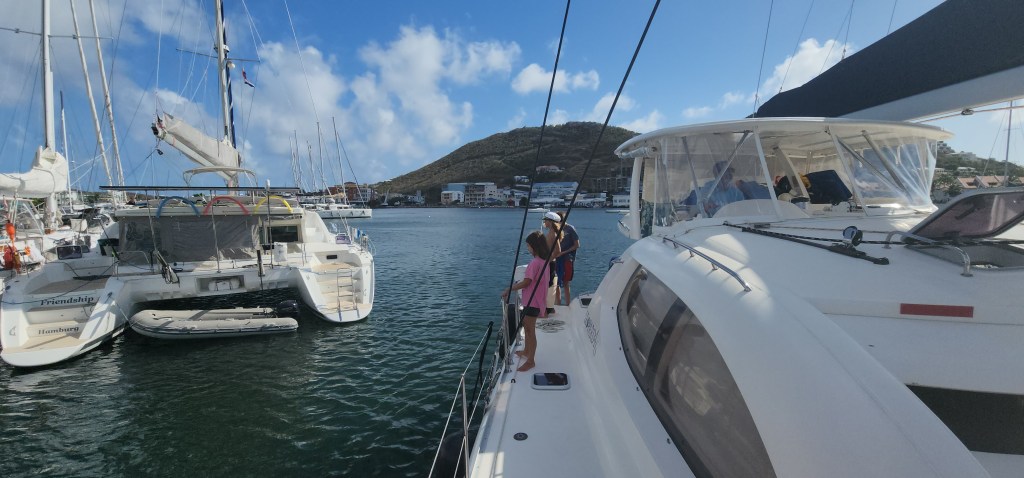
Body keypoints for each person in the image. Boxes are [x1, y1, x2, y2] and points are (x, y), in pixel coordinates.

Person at [501, 231, 551, 372]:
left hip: (532, 302)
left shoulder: (534, 263)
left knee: (530, 331)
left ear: (534, 246)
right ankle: (527, 351)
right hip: (537, 301)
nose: (528, 248)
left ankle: (531, 361)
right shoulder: (544, 262)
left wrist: (509, 288)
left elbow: (526, 282)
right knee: (528, 328)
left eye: (528, 246)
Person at [554, 211, 579, 305]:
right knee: (556, 282)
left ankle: (568, 305)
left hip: (567, 259)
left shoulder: (570, 229)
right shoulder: (556, 229)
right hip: (557, 258)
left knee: (565, 283)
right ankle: (558, 304)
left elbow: (577, 245)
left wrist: (563, 252)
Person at [541, 211, 563, 314]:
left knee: (547, 285)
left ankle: (548, 308)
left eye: (545, 220)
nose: (544, 222)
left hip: (549, 263)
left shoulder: (553, 234)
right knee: (547, 284)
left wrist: (548, 260)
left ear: (550, 222)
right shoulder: (551, 232)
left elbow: (558, 251)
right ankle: (548, 307)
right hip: (548, 262)